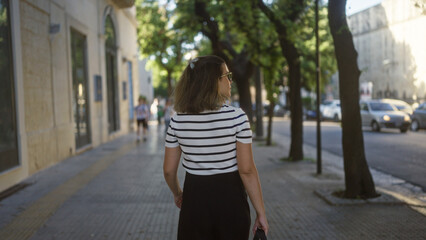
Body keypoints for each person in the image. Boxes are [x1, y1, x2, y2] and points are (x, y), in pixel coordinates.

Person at [163, 55, 268, 239]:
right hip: (231, 200)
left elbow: (169, 171)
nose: (230, 81)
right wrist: (261, 213)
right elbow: (247, 170)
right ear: (212, 82)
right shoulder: (237, 117)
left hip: (194, 200)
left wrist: (178, 193)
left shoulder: (178, 120)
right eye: (226, 76)